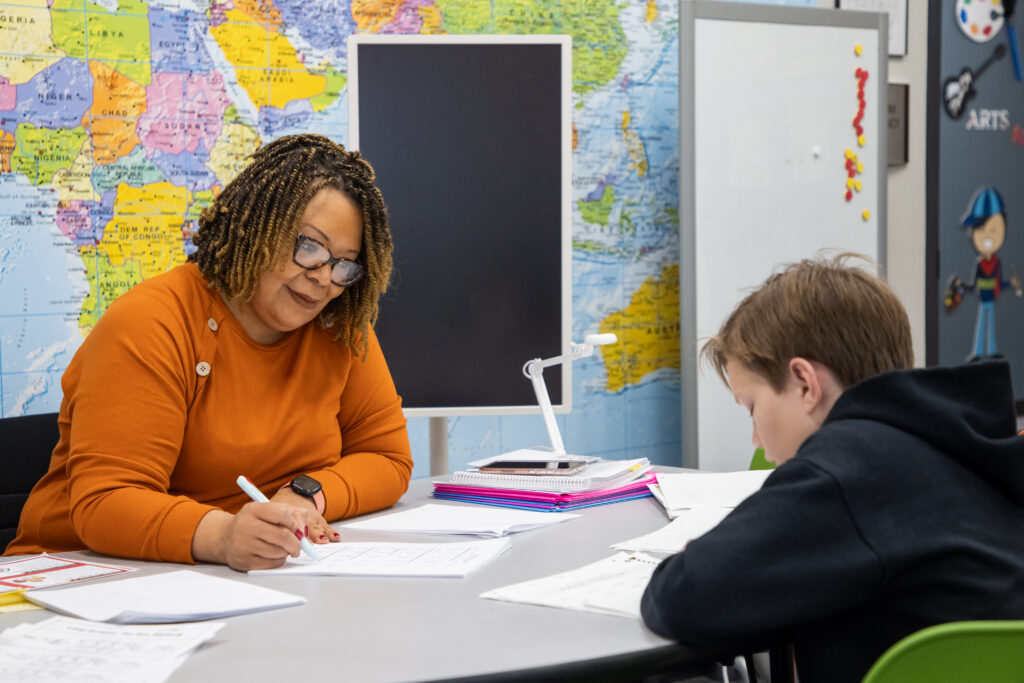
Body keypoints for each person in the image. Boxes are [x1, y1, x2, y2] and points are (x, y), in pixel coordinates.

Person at [4, 134, 413, 571]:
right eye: (308, 246)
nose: (323, 278)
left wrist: (305, 493)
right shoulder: (151, 322)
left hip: (243, 578)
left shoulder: (341, 329)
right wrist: (223, 536)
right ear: (258, 226)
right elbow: (107, 501)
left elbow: (387, 458)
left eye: (344, 264)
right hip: (80, 578)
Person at [640, 254, 1024, 683]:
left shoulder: (847, 470)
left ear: (805, 383)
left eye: (752, 407)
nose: (755, 439)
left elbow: (684, 594)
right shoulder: (958, 446)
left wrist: (700, 555)